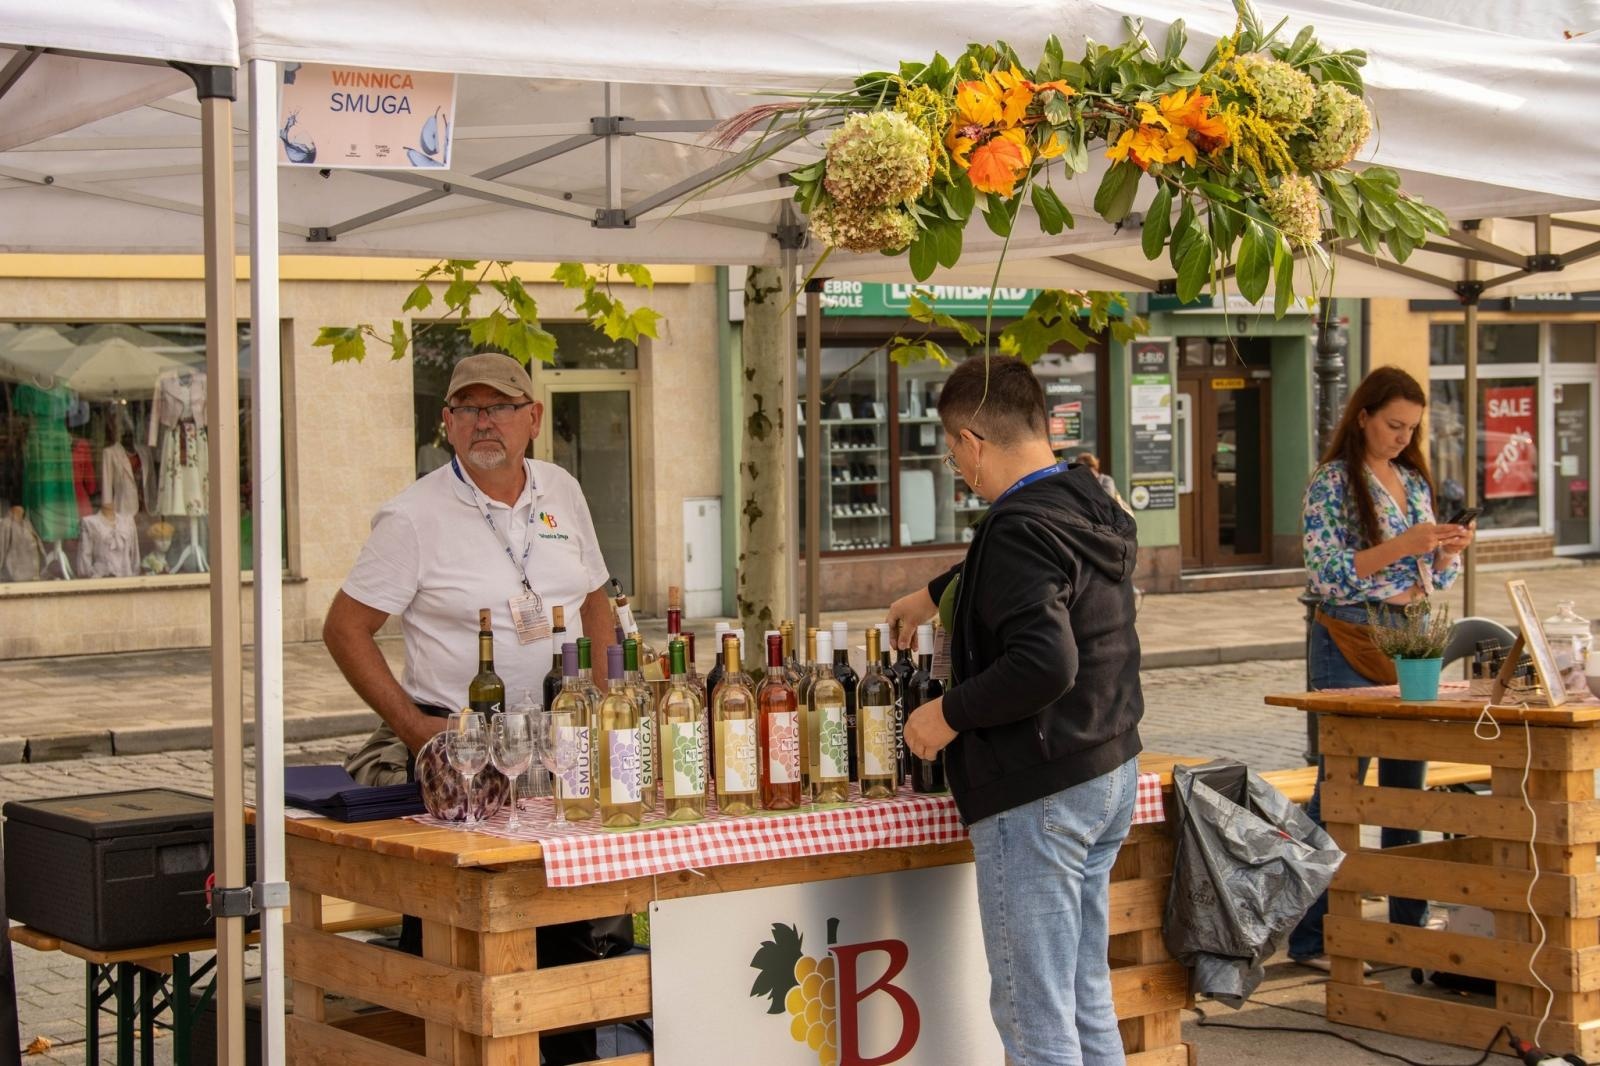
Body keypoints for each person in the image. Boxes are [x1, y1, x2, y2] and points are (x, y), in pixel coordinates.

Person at [324, 352, 627, 1064]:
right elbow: (345, 628)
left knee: (570, 920)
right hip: (463, 752)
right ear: (445, 424)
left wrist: (609, 704)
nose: (483, 421)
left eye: (499, 406)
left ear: (533, 418)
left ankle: (567, 1052)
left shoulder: (561, 489)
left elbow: (594, 598)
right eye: (468, 408)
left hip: (559, 740)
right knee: (454, 934)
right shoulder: (412, 517)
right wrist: (416, 729)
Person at [886, 355, 1144, 1065]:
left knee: (1034, 1017)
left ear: (971, 440)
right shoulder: (1088, 496)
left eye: (952, 453)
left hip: (1041, 787)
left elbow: (1043, 662)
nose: (957, 470)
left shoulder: (1015, 526)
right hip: (1108, 768)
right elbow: (1045, 568)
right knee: (1083, 994)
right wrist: (936, 592)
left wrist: (948, 715)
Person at [1287, 365, 1474, 969]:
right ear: (1362, 415)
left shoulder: (1412, 479)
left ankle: (1408, 934)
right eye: (1393, 425)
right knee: (1339, 787)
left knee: (1406, 785)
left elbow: (1433, 577)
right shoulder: (1333, 481)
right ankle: (1312, 937)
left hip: (1410, 631)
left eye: (1411, 428)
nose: (1401, 437)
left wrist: (1446, 552)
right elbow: (1325, 572)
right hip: (1348, 631)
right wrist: (1403, 544)